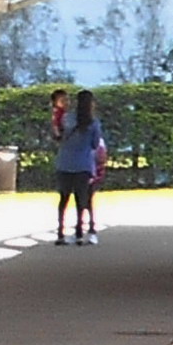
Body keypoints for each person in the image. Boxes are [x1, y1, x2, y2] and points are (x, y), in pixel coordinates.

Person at [54, 90, 105, 246]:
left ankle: (61, 232)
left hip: (64, 162)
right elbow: (95, 144)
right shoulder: (93, 123)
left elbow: (57, 136)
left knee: (63, 198)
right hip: (83, 164)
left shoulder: (67, 118)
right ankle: (79, 232)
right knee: (81, 198)